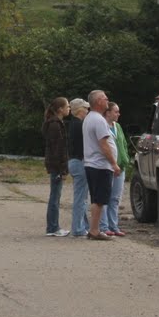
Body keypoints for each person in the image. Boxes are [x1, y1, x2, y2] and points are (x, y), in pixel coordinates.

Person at [81, 89, 120, 242]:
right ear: (98, 102)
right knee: (99, 198)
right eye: (104, 98)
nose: (107, 100)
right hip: (100, 165)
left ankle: (94, 228)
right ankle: (95, 230)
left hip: (92, 164)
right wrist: (114, 163)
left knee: (97, 198)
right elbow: (104, 144)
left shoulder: (90, 118)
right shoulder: (98, 120)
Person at [104, 101, 132, 237]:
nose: (118, 114)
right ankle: (104, 225)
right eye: (116, 111)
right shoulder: (103, 126)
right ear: (108, 113)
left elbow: (123, 143)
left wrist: (125, 158)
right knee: (105, 197)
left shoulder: (118, 126)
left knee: (115, 198)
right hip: (108, 166)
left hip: (120, 166)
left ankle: (114, 225)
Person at [43, 97, 70, 236]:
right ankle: (53, 227)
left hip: (55, 165)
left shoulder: (57, 123)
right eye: (67, 106)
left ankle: (53, 226)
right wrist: (63, 169)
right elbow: (58, 149)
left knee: (55, 195)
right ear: (60, 109)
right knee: (55, 196)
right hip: (56, 166)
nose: (68, 109)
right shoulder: (55, 125)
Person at [65, 96, 91, 237]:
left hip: (75, 161)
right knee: (81, 198)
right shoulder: (80, 125)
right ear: (79, 110)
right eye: (86, 108)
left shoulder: (74, 124)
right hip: (79, 162)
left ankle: (83, 225)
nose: (87, 110)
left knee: (82, 196)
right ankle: (77, 228)